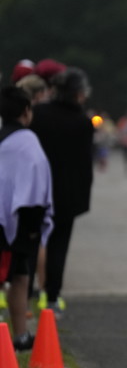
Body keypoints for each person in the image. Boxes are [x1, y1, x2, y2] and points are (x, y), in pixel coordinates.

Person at [28, 68, 94, 318]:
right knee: (58, 247)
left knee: (31, 244)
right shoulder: (82, 122)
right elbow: (85, 164)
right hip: (67, 195)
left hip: (36, 190)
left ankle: (24, 294)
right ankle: (52, 297)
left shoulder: (38, 114)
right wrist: (83, 196)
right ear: (78, 93)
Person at [0, 87, 53, 350]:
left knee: (16, 274)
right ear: (26, 111)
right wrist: (34, 227)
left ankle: (19, 335)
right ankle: (20, 334)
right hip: (17, 221)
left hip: (4, 218)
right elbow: (35, 186)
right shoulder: (27, 142)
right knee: (19, 276)